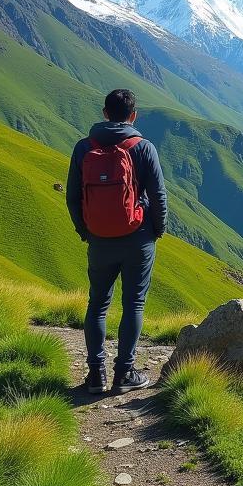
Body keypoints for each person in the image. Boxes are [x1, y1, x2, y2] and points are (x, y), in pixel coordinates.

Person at [66, 88, 168, 394]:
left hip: (99, 239)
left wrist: (86, 231)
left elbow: (72, 197)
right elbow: (159, 196)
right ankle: (124, 373)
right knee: (133, 303)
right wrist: (157, 230)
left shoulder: (84, 148)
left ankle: (95, 375)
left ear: (105, 113)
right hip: (138, 237)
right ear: (133, 116)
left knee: (97, 304)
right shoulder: (143, 147)